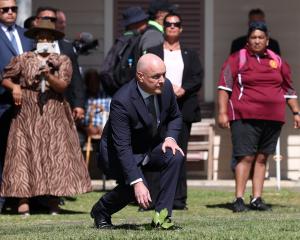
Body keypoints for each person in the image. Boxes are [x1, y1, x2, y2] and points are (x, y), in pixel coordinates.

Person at [0, 19, 92, 215]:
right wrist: (15, 87)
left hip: (53, 111)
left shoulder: (62, 60)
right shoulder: (23, 58)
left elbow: (63, 86)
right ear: (34, 39)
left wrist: (49, 75)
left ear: (52, 39)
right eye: (40, 36)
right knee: (24, 153)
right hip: (27, 111)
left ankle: (53, 200)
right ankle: (22, 199)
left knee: (55, 154)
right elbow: (5, 77)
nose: (43, 39)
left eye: (47, 36)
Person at [90, 53, 184, 229]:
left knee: (174, 156)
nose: (162, 80)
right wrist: (137, 181)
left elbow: (175, 116)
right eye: (156, 76)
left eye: (164, 74)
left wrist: (170, 138)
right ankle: (101, 210)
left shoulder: (166, 87)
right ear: (140, 76)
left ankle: (161, 219)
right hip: (119, 153)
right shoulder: (122, 101)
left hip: (147, 147)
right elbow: (122, 146)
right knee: (135, 190)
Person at [218, 21, 300, 213]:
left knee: (262, 158)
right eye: (253, 37)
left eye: (260, 37)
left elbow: (288, 89)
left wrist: (296, 112)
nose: (257, 41)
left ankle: (256, 198)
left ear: (267, 40)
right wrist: (222, 113)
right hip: (245, 115)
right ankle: (238, 199)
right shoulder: (237, 58)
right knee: (245, 157)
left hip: (273, 118)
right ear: (248, 41)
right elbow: (224, 87)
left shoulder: (277, 61)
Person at [147, 12, 203, 210]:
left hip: (182, 108)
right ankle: (150, 199)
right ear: (163, 27)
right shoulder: (152, 52)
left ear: (181, 28)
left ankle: (178, 199)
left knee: (179, 154)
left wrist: (183, 89)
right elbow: (143, 75)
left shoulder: (190, 54)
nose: (172, 27)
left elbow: (197, 76)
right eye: (168, 24)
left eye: (176, 24)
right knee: (154, 152)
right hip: (156, 109)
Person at [0, 0, 34, 213]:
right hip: (2, 101)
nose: (11, 12)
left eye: (14, 9)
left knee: (21, 153)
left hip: (26, 104)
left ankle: (21, 198)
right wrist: (11, 85)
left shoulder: (25, 34)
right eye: (5, 9)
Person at [34, 6, 85, 121]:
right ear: (36, 21)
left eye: (53, 20)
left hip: (63, 105)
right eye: (46, 19)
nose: (50, 22)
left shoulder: (67, 47)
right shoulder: (29, 45)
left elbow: (76, 78)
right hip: (36, 105)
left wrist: (79, 104)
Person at [100, 6, 148, 96]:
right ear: (135, 23)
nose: (146, 22)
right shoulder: (134, 41)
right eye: (143, 20)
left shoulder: (121, 41)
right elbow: (105, 72)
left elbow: (105, 71)